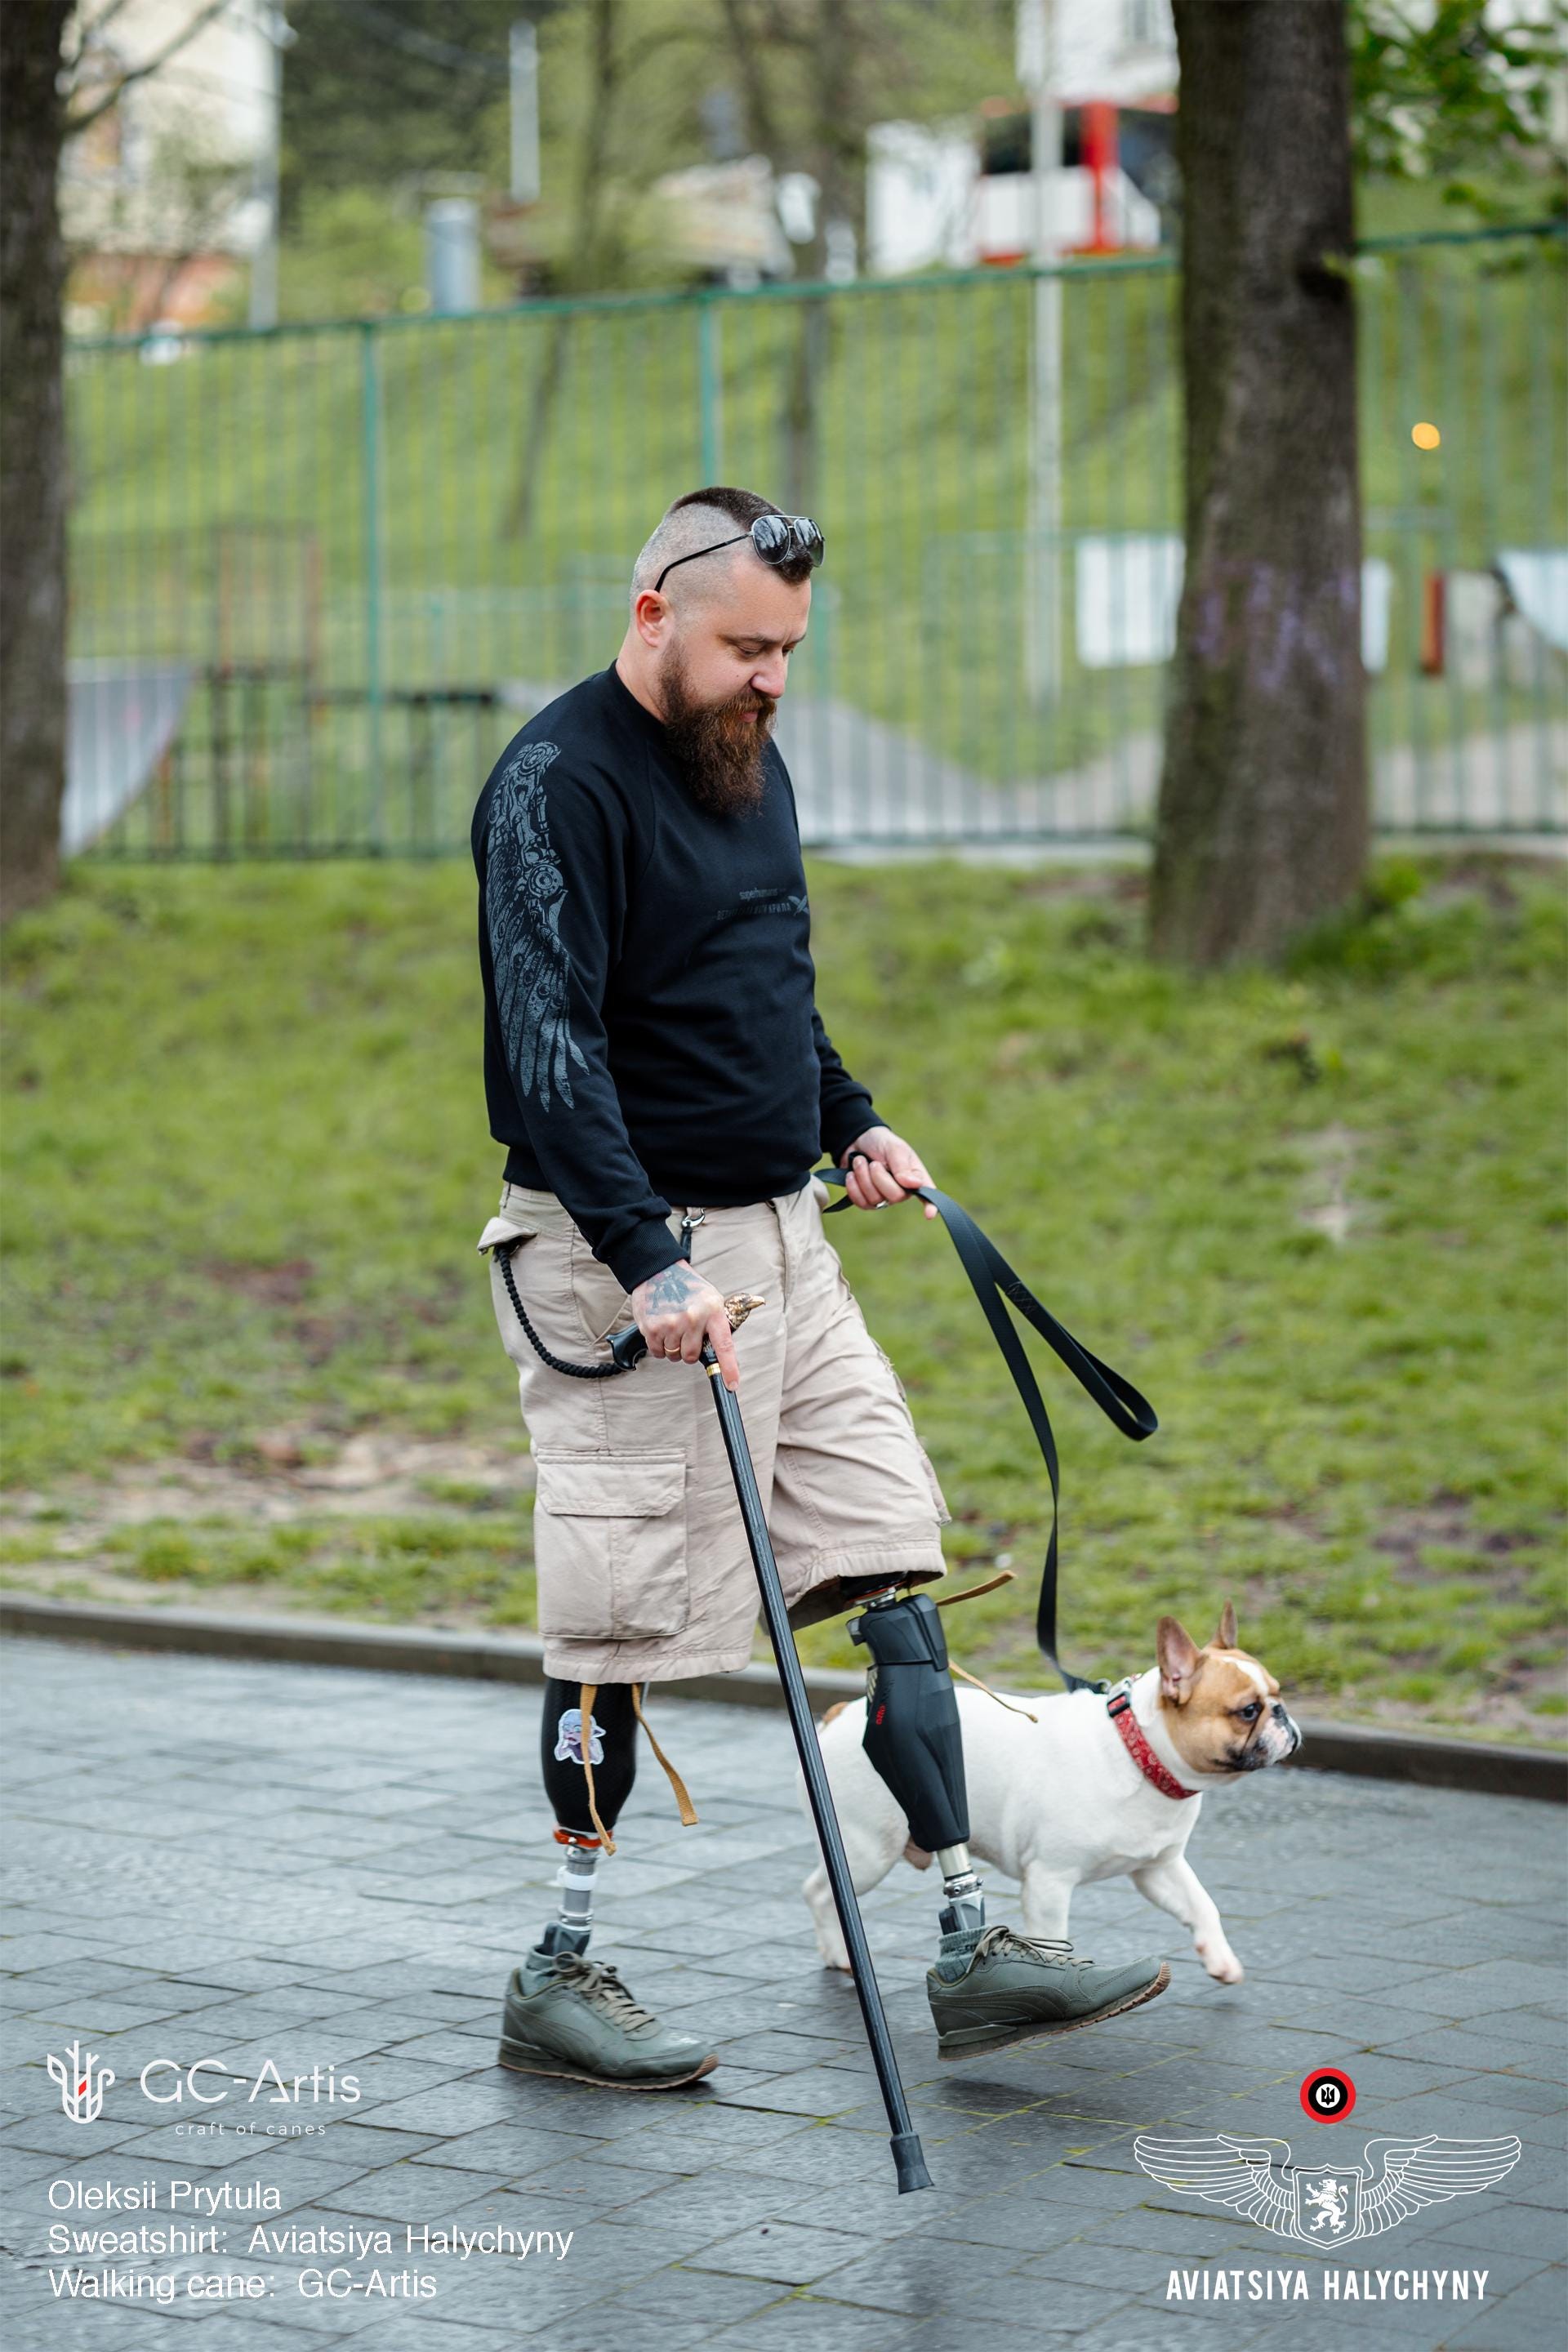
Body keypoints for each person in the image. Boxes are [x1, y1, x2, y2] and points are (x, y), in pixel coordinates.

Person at [471, 486, 1169, 2088]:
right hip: (617, 1261)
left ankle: (968, 1954)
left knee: (893, 1565)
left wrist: (846, 1115)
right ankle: (561, 1964)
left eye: (788, 648)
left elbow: (759, 973)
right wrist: (649, 1260)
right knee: (611, 1624)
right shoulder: (554, 787)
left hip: (787, 1243)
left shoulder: (748, 758)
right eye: (745, 646)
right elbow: (550, 1047)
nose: (772, 676)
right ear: (654, 609)